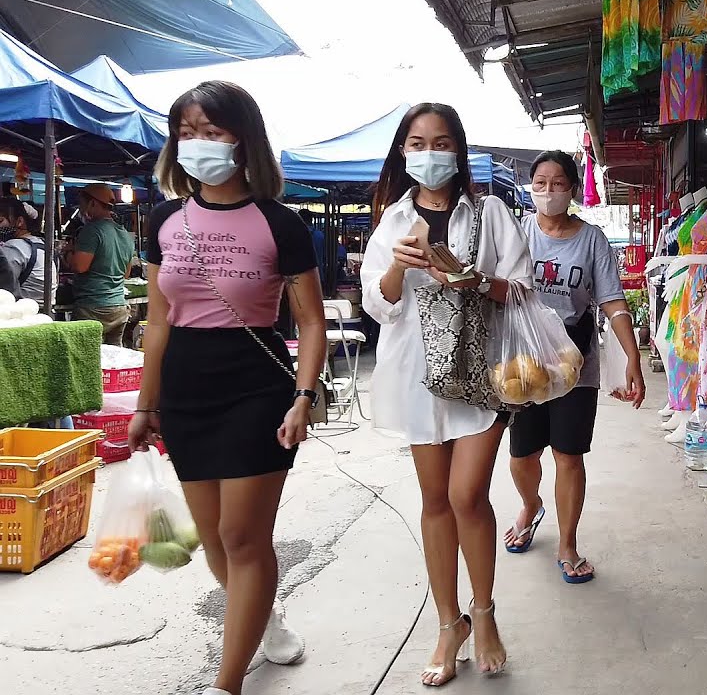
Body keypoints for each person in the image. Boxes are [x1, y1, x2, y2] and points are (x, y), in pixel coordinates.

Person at [126, 81, 327, 695]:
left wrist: (302, 394)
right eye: (186, 132)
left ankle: (228, 682)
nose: (198, 143)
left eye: (212, 131)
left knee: (244, 536)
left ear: (244, 140)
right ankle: (264, 621)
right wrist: (145, 404)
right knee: (213, 538)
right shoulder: (164, 218)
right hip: (186, 392)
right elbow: (158, 322)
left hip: (257, 390)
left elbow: (313, 320)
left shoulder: (280, 223)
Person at [361, 103, 532, 688]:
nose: (428, 154)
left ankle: (482, 614)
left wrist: (469, 276)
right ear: (403, 152)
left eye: (439, 143)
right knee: (435, 500)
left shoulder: (488, 213)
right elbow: (378, 306)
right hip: (416, 374)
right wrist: (396, 271)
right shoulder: (392, 221)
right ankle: (447, 624)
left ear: (458, 151)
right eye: (416, 143)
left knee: (467, 496)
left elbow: (522, 290)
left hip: (480, 373)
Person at [504, 150, 646, 584]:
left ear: (572, 188)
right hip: (523, 362)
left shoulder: (592, 240)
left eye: (558, 182)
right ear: (531, 187)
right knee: (522, 453)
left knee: (569, 455)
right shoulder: (517, 231)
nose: (549, 191)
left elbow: (612, 301)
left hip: (574, 361)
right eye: (541, 182)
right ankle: (530, 505)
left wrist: (633, 358)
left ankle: (567, 543)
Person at [69, 183, 133, 344]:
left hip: (93, 308)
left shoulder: (92, 230)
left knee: (86, 359)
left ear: (92, 203)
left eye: (82, 204)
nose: (81, 209)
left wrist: (68, 252)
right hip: (118, 307)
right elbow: (126, 274)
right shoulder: (125, 234)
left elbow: (80, 266)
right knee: (114, 360)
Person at [0, 199, 51, 306]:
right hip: (45, 308)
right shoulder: (43, 243)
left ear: (20, 221)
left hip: (22, 312)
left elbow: (4, 284)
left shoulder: (14, 247)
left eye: (0, 221)